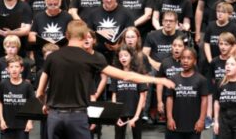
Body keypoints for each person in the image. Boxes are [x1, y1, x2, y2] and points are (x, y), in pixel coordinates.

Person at [36, 20, 174, 138]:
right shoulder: (90, 58)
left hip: (54, 117)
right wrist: (158, 80)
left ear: (66, 35)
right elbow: (126, 75)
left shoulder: (53, 57)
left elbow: (40, 93)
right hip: (77, 118)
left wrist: (46, 104)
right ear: (85, 36)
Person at [165, 48, 208, 139]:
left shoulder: (201, 80)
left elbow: (204, 100)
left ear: (195, 61)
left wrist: (201, 120)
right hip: (175, 124)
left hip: (194, 125)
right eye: (183, 58)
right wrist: (169, 118)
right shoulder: (173, 79)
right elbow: (169, 98)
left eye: (189, 58)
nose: (185, 61)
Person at [111, 45, 148, 139]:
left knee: (137, 136)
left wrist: (136, 116)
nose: (123, 58)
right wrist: (116, 115)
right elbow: (114, 95)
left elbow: (142, 96)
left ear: (131, 57)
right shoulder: (116, 74)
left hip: (135, 112)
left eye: (125, 55)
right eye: (121, 56)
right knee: (118, 136)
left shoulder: (138, 73)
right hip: (120, 113)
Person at [29, 0, 73, 67]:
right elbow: (31, 37)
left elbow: (72, 37)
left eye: (55, 4)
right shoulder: (38, 17)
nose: (53, 7)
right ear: (45, 2)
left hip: (62, 55)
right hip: (43, 56)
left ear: (60, 2)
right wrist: (45, 40)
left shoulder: (67, 17)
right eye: (50, 4)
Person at [0, 55, 34, 139]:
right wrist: (1, 120)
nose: (14, 69)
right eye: (11, 67)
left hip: (22, 126)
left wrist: (30, 121)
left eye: (17, 66)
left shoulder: (27, 85)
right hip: (6, 124)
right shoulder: (3, 84)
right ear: (7, 69)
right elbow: (0, 102)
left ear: (22, 69)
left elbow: (31, 105)